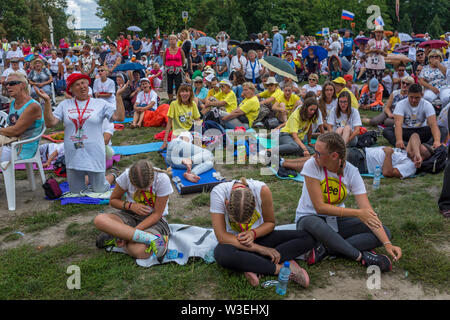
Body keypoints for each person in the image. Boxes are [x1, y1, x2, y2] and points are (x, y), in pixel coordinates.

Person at [295, 132, 402, 271]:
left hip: (335, 221)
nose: (314, 155)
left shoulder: (351, 172)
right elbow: (320, 207)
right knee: (313, 222)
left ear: (334, 156)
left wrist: (387, 243)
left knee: (384, 232)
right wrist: (358, 213)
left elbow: (367, 212)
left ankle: (327, 248)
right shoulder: (312, 165)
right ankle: (359, 256)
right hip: (309, 220)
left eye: (318, 153)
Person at [210, 177, 314, 287]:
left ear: (254, 205)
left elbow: (270, 223)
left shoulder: (262, 190)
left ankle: (253, 265)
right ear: (227, 204)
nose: (244, 226)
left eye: (248, 221)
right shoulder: (218, 193)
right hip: (234, 243)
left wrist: (253, 233)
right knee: (222, 253)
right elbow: (221, 236)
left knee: (307, 238)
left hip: (260, 237)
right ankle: (278, 268)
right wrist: (260, 249)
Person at [35, 72, 126, 194]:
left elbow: (119, 117)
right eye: (77, 84)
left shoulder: (100, 103)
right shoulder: (65, 104)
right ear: (71, 89)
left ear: (88, 85)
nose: (82, 86)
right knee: (76, 192)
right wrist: (46, 102)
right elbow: (50, 123)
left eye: (84, 83)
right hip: (73, 153)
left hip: (95, 152)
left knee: (100, 189)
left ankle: (113, 174)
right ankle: (88, 179)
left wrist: (118, 96)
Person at [94, 160, 173, 260]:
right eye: (138, 188)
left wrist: (130, 234)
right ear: (130, 180)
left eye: (147, 187)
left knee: (141, 252)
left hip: (154, 221)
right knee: (99, 220)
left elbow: (157, 214)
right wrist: (130, 206)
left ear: (152, 178)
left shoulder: (162, 179)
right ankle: (152, 239)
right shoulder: (126, 176)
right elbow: (113, 201)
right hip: (129, 215)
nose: (144, 190)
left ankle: (119, 236)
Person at [382, 84, 448, 149]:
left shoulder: (427, 105)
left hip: (421, 130)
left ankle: (427, 146)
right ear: (407, 94)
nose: (414, 100)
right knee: (387, 131)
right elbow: (398, 124)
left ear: (422, 95)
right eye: (411, 97)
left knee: (443, 129)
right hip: (405, 131)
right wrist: (399, 140)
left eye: (417, 97)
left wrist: (437, 141)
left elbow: (433, 124)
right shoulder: (400, 104)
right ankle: (408, 145)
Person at [0, 72, 43, 165]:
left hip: (23, 148)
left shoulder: (32, 106)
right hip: (11, 143)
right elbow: (10, 126)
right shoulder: (13, 103)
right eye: (6, 84)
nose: (8, 86)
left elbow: (16, 131)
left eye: (11, 83)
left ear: (22, 85)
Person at [347, 133, 431, 179]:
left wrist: (388, 154)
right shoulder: (408, 152)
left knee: (335, 152)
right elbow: (414, 135)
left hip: (361, 161)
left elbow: (387, 173)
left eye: (417, 149)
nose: (414, 147)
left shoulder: (410, 166)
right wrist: (416, 153)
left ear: (422, 157)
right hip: (361, 151)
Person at [161, 83, 201, 149]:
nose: (184, 94)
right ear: (179, 93)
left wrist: (198, 138)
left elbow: (198, 121)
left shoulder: (193, 104)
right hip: (178, 132)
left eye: (187, 91)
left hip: (190, 130)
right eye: (182, 91)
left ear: (190, 93)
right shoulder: (174, 104)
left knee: (190, 146)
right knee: (180, 146)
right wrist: (165, 141)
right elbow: (169, 123)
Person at [163, 35, 186, 101]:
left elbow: (183, 61)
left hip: (177, 70)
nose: (172, 40)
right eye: (170, 39)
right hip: (169, 70)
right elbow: (164, 62)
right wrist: (169, 66)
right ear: (169, 41)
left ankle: (178, 100)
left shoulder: (180, 50)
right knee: (169, 86)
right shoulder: (166, 50)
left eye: (173, 39)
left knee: (178, 85)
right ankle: (170, 100)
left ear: (176, 40)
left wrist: (177, 66)